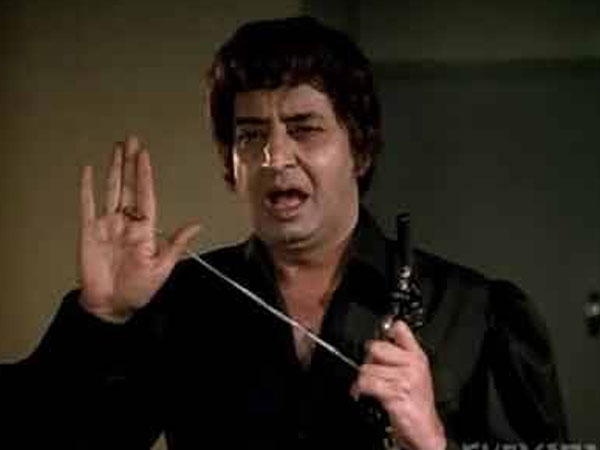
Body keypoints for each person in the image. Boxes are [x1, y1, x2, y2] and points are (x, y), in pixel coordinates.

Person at [1, 16, 567, 449]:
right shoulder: (179, 302)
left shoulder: (478, 314)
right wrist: (100, 316)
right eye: (251, 135)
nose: (275, 156)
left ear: (359, 149)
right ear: (232, 164)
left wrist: (433, 442)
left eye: (304, 128)